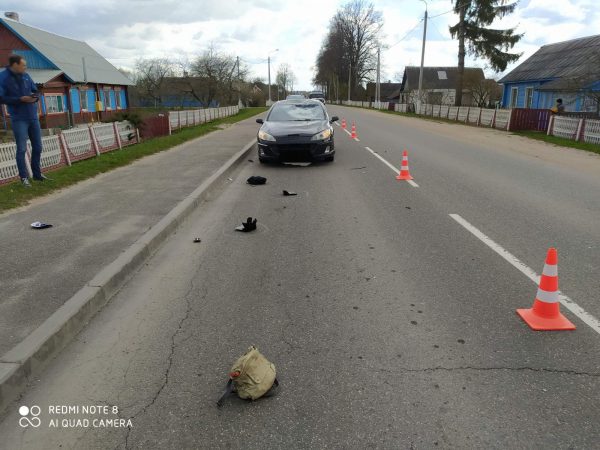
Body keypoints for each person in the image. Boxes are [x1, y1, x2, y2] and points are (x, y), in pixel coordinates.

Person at [0, 54, 50, 187]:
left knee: (38, 147)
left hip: (32, 116)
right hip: (19, 118)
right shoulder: (3, 78)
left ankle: (37, 175)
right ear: (15, 65)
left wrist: (35, 97)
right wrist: (19, 99)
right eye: (23, 65)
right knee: (21, 149)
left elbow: (35, 91)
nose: (25, 67)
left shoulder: (26, 76)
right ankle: (24, 178)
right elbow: (1, 97)